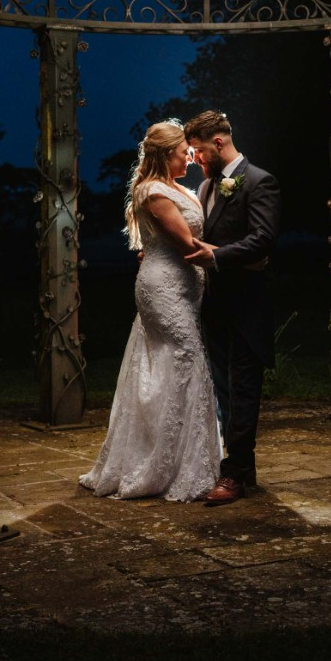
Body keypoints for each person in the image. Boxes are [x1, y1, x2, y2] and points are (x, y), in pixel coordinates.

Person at [78, 119, 222, 502]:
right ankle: (167, 463)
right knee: (187, 356)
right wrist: (240, 259)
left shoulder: (180, 189)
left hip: (187, 287)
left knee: (172, 362)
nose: (189, 160)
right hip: (163, 287)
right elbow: (186, 244)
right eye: (182, 153)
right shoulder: (153, 191)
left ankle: (175, 456)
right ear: (164, 154)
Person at [183, 110, 281, 506]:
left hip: (246, 305)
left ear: (218, 143)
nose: (196, 159)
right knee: (223, 390)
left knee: (242, 390)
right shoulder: (207, 188)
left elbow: (263, 240)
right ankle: (243, 466)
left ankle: (235, 476)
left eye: (199, 151)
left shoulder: (260, 182)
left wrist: (218, 257)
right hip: (214, 306)